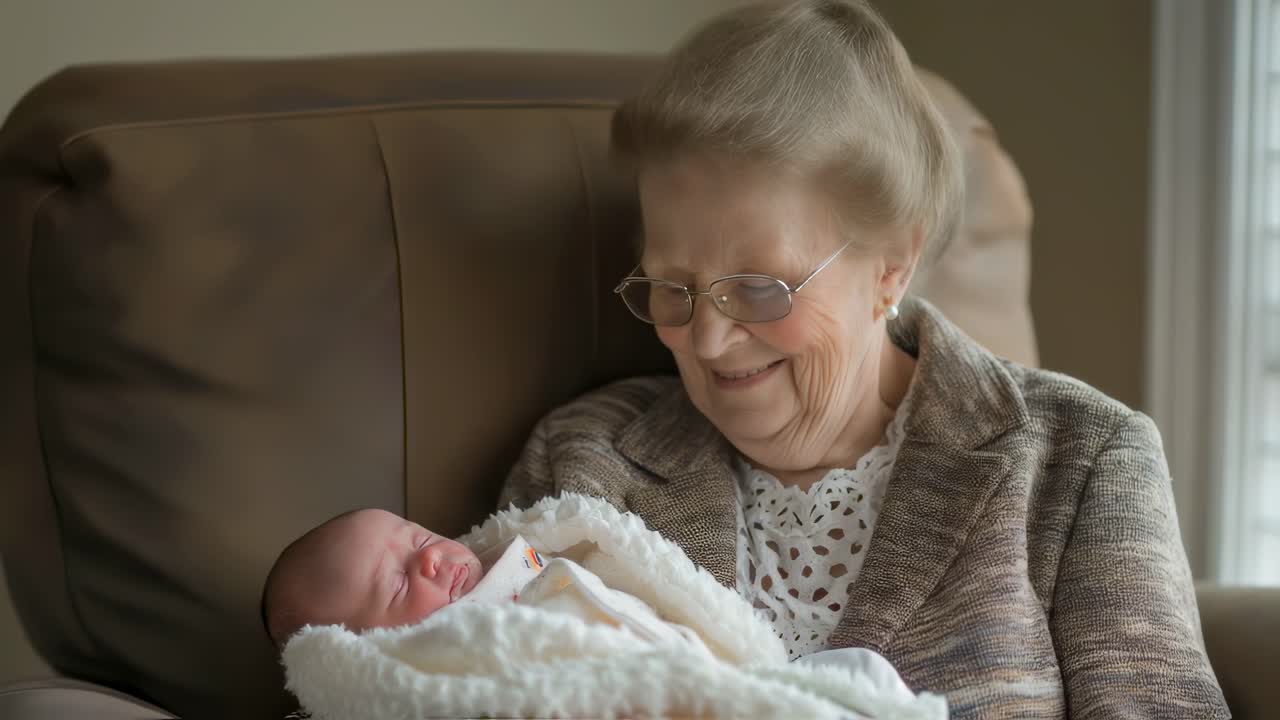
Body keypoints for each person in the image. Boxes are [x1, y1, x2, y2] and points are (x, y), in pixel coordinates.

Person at [497, 1, 1229, 717]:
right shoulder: (584, 463)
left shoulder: (1084, 463)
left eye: (759, 289)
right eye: (672, 290)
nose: (710, 341)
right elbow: (469, 677)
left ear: (892, 266)